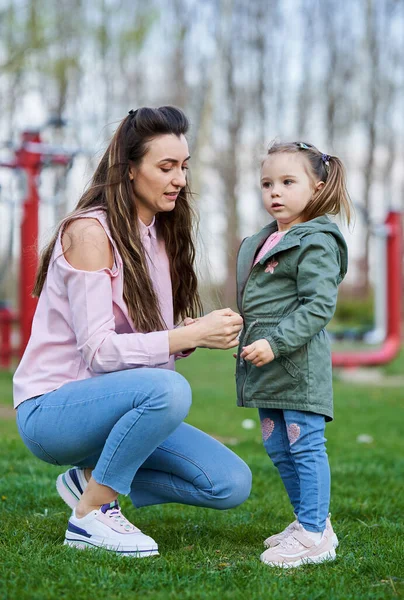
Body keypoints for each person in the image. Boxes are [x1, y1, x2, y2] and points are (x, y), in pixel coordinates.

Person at [13, 106, 252, 558]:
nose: (180, 178)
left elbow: (143, 344)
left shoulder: (159, 237)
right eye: (166, 167)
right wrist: (189, 337)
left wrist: (190, 330)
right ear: (128, 171)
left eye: (183, 166)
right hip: (52, 411)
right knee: (169, 390)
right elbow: (100, 352)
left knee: (229, 483)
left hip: (111, 404)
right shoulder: (89, 233)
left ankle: (88, 479)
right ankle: (92, 515)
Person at [235, 141, 351, 568]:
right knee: (278, 447)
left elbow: (318, 306)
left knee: (305, 446)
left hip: (296, 365)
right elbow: (259, 304)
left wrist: (276, 342)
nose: (274, 192)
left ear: (317, 187)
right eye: (267, 183)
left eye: (287, 181)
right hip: (264, 366)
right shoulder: (265, 240)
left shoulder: (316, 241)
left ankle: (316, 534)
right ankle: (309, 520)